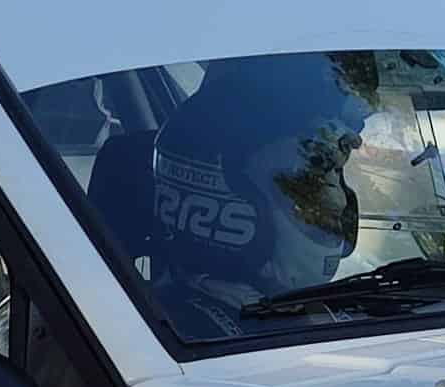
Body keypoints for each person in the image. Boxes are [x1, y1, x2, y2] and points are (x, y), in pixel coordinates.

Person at [149, 54, 376, 338]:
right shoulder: (193, 336)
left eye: (334, 175)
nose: (340, 202)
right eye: (310, 184)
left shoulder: (294, 312)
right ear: (231, 214)